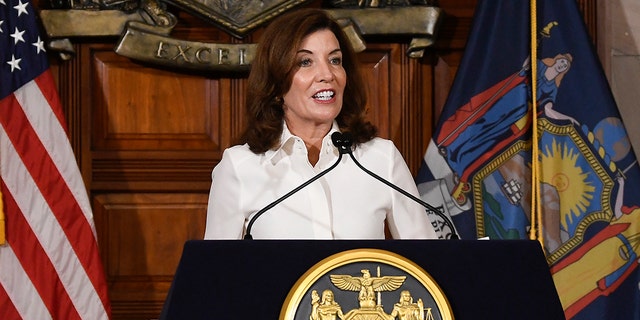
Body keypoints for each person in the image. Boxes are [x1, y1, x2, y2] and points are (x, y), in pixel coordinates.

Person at [203, 8, 438, 239]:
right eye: (305, 62)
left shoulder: (381, 159)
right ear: (275, 84)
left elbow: (427, 261)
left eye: (335, 60)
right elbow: (215, 272)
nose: (327, 74)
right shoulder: (240, 167)